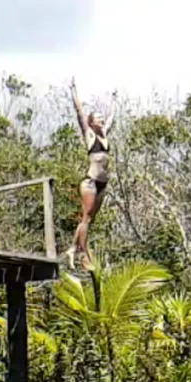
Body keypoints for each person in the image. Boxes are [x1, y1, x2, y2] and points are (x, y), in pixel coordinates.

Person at [66, 79, 116, 270]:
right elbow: (79, 112)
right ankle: (82, 254)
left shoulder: (104, 135)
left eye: (102, 119)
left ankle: (72, 248)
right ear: (92, 122)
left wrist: (113, 100)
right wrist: (74, 91)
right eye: (98, 119)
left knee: (89, 220)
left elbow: (112, 116)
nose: (102, 120)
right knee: (85, 218)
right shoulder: (90, 135)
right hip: (91, 182)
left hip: (103, 183)